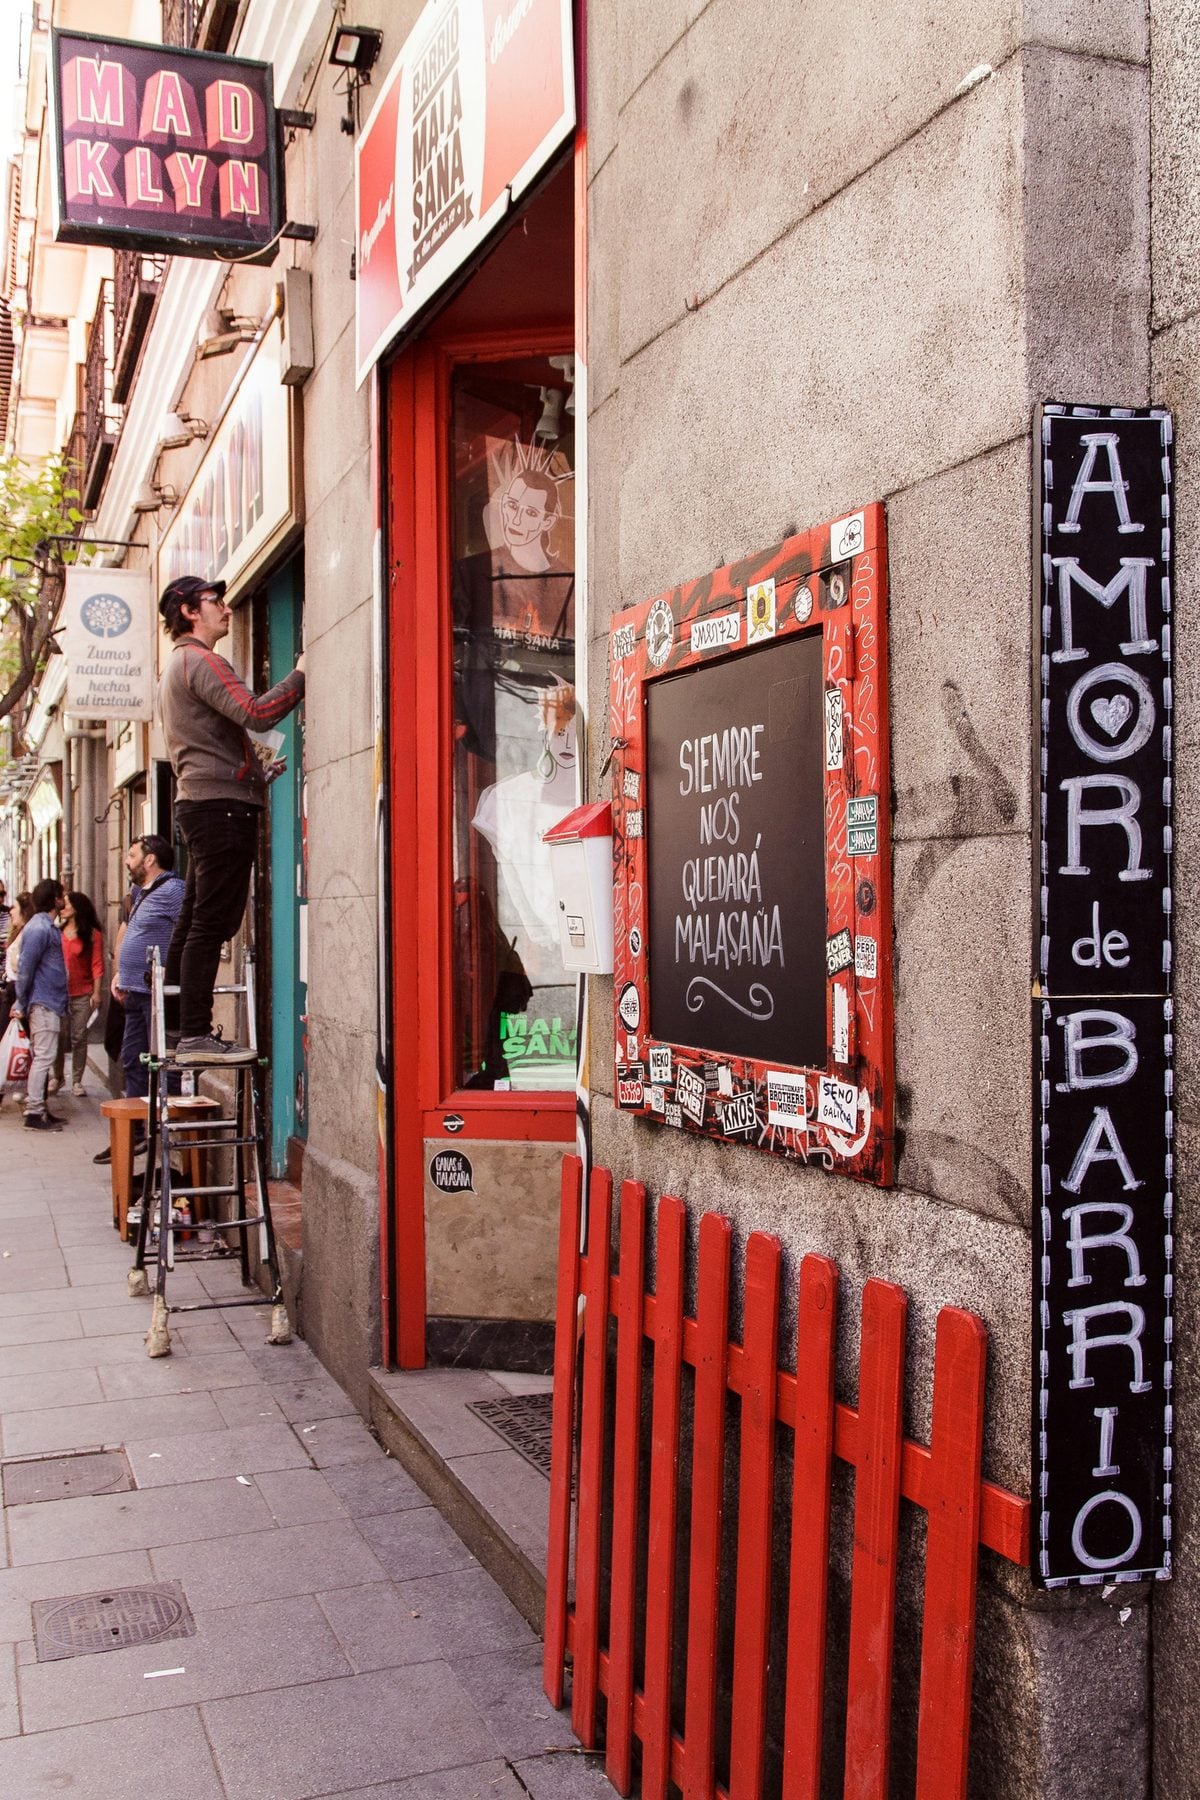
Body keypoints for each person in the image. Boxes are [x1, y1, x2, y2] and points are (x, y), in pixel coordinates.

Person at [157, 576, 305, 1066]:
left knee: (195, 918)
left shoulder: (177, 665)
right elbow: (257, 712)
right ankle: (195, 1033)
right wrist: (302, 674)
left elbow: (214, 742)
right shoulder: (201, 660)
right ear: (189, 612)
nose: (226, 608)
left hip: (204, 803)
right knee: (211, 923)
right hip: (219, 809)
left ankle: (182, 1029)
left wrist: (255, 774)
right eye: (214, 601)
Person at [92, 836, 186, 1167]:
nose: (126, 860)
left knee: (164, 1063)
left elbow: (188, 933)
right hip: (133, 992)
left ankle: (168, 1135)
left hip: (157, 994)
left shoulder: (174, 890)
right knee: (132, 1059)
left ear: (149, 860)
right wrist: (120, 975)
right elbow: (131, 934)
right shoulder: (141, 893)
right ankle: (135, 1135)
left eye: (132, 855)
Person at [12, 878, 67, 1130]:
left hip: (49, 1001)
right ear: (54, 898)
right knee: (43, 1057)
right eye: (62, 894)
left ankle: (40, 1108)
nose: (65, 898)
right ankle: (34, 1112)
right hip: (44, 1001)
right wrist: (21, 1001)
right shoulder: (40, 928)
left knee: (43, 1055)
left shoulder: (45, 926)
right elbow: (25, 968)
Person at [53, 891, 103, 1096]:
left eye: (65, 904)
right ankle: (57, 1076)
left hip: (82, 993)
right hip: (59, 994)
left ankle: (76, 1081)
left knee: (79, 1036)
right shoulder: (56, 931)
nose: (61, 908)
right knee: (57, 1036)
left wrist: (97, 992)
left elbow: (97, 964)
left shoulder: (92, 934)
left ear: (76, 908)